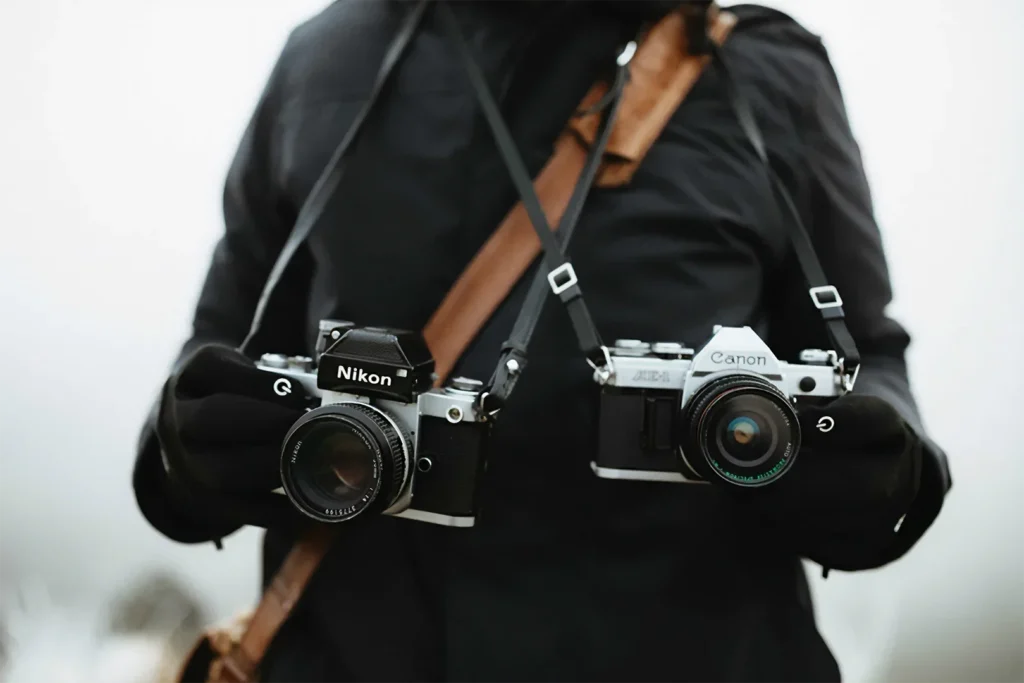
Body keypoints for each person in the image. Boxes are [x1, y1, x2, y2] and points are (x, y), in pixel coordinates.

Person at [132, 1, 952, 682]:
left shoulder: (767, 72)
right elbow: (218, 347)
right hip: (350, 653)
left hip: (701, 651)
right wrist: (189, 455)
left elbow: (867, 353)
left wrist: (883, 477)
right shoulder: (325, 58)